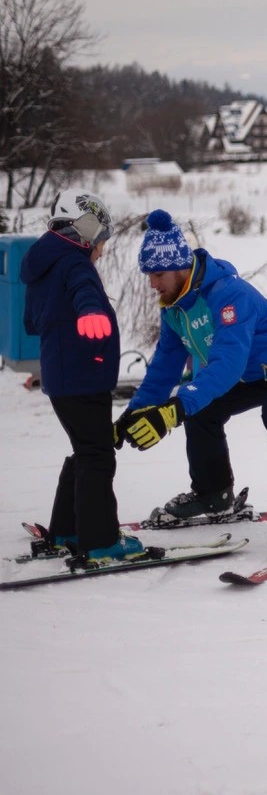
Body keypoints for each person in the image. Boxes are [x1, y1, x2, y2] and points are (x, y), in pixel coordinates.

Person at [118, 209, 267, 547]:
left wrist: (174, 410)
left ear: (181, 266)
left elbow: (227, 364)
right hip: (257, 373)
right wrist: (136, 410)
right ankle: (213, 493)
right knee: (201, 407)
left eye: (158, 274)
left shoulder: (227, 295)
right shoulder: (174, 306)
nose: (152, 283)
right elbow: (165, 364)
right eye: (148, 275)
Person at [20, 189, 142, 562]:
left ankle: (68, 529)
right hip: (84, 378)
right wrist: (90, 311)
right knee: (97, 456)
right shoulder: (75, 263)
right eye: (101, 240)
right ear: (84, 230)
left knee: (84, 452)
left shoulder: (43, 266)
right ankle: (100, 539)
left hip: (62, 381)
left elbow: (31, 323)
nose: (102, 250)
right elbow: (84, 290)